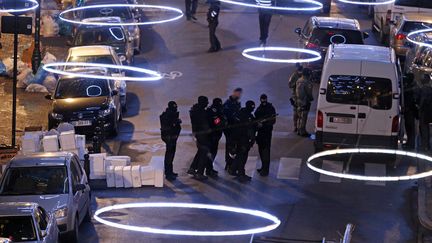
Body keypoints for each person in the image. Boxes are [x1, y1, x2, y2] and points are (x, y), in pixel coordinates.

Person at [231, 100, 257, 182]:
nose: (253, 109)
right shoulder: (247, 116)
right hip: (243, 139)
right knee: (242, 156)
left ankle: (234, 169)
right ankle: (241, 174)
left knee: (239, 155)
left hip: (237, 138)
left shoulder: (240, 113)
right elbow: (249, 129)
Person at [189, 96, 211, 180]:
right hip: (203, 135)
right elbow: (205, 124)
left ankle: (192, 168)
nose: (207, 103)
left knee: (200, 151)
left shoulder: (195, 110)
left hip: (198, 134)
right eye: (206, 101)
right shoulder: (201, 112)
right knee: (204, 153)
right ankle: (200, 172)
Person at [254, 94, 276, 177]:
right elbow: (256, 117)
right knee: (261, 151)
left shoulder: (270, 108)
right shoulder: (260, 108)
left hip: (266, 133)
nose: (263, 100)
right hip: (260, 133)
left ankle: (265, 170)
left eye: (264, 99)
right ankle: (263, 167)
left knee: (265, 152)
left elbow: (272, 121)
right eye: (262, 99)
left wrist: (264, 124)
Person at [160, 101, 182, 181]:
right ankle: (168, 173)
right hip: (169, 138)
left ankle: (170, 171)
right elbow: (168, 127)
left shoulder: (170, 114)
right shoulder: (167, 115)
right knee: (169, 155)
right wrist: (176, 122)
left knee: (171, 155)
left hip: (172, 137)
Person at [223, 88, 243, 171]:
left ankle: (232, 163)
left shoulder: (237, 103)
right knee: (230, 146)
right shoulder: (228, 103)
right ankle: (228, 163)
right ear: (234, 93)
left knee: (233, 146)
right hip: (229, 128)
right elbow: (226, 116)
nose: (239, 95)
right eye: (238, 93)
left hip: (235, 128)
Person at [206, 98, 227, 177]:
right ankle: (209, 169)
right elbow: (217, 122)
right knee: (212, 153)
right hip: (213, 135)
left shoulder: (213, 110)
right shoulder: (213, 111)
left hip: (215, 135)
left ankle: (209, 168)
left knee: (212, 153)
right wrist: (224, 122)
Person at [296, 68, 314, 137]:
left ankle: (298, 129)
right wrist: (311, 98)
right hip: (305, 101)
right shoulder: (307, 82)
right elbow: (309, 93)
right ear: (308, 74)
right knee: (304, 117)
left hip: (298, 101)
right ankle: (302, 131)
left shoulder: (298, 80)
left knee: (299, 116)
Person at [417, 74, 432, 151]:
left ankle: (424, 145)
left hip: (424, 112)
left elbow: (422, 101)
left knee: (423, 129)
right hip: (429, 112)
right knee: (427, 128)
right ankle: (427, 145)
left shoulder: (423, 89)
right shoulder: (430, 89)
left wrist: (419, 109)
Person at [403, 73, 417, 150]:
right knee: (408, 127)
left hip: (410, 110)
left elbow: (412, 100)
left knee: (410, 128)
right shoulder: (408, 85)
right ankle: (409, 142)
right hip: (408, 110)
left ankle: (411, 144)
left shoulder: (413, 87)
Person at [289, 63, 303, 133]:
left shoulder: (304, 75)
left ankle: (300, 127)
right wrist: (296, 84)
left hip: (303, 97)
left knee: (302, 113)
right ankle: (295, 126)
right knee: (296, 113)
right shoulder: (294, 75)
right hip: (296, 97)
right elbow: (290, 85)